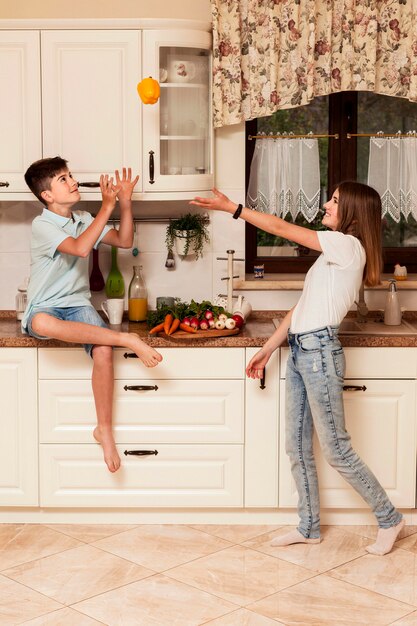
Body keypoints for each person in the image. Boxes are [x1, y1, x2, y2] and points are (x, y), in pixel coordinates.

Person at [191, 183, 404, 556]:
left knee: (336, 449)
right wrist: (267, 349)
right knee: (297, 446)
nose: (326, 203)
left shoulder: (347, 245)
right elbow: (301, 307)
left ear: (353, 210)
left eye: (335, 200)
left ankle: (390, 519)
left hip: (320, 352)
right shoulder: (333, 253)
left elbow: (283, 229)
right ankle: (308, 527)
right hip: (303, 351)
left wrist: (233, 208)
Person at [22, 157, 162, 473]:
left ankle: (104, 430)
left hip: (78, 304)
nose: (72, 181)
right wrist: (107, 207)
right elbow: (81, 249)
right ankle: (125, 338)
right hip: (45, 305)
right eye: (63, 179)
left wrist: (124, 204)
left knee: (103, 350)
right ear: (47, 195)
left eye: (70, 175)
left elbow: (124, 242)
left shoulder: (84, 218)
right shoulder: (42, 225)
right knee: (42, 323)